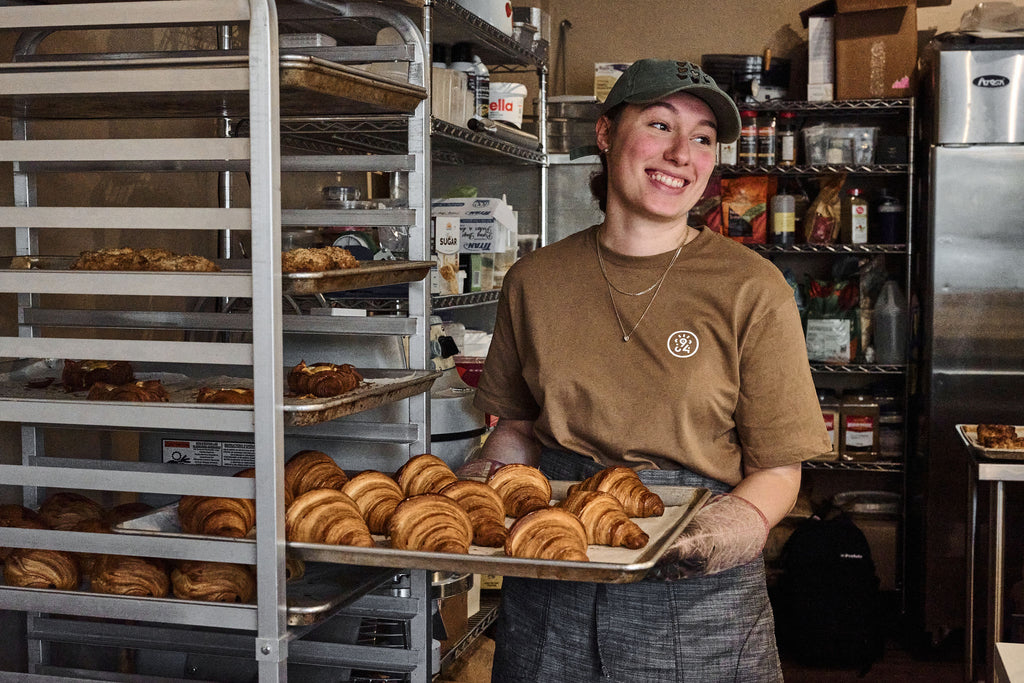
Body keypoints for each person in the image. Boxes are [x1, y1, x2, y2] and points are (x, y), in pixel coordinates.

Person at [461, 58, 830, 682]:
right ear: (606, 134)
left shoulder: (752, 288)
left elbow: (777, 469)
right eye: (660, 125)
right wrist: (478, 481)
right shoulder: (535, 281)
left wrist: (720, 533)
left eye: (705, 138)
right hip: (556, 577)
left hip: (698, 598)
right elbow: (519, 427)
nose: (682, 153)